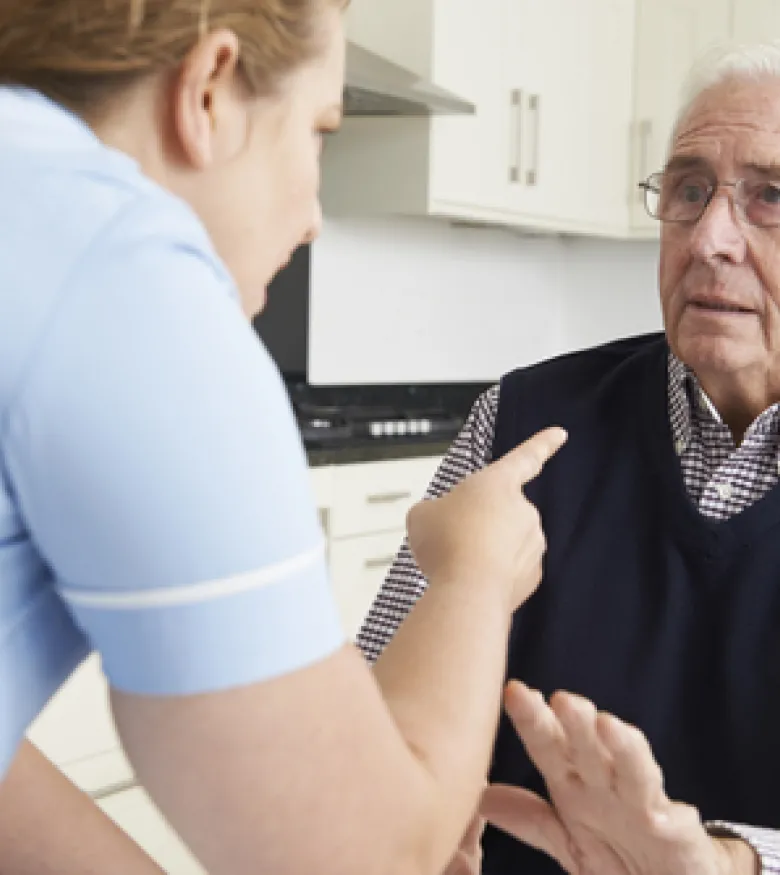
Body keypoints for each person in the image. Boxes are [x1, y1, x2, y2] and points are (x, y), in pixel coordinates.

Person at [0, 2, 569, 873]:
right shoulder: (127, 278)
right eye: (319, 133)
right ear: (210, 91)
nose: (313, 217)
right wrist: (474, 577)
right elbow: (364, 860)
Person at [358, 41, 780, 875]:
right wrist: (403, 820)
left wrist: (730, 863)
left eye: (770, 197)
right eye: (689, 189)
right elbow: (369, 736)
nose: (709, 239)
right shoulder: (522, 426)